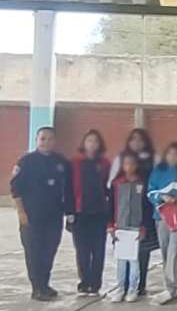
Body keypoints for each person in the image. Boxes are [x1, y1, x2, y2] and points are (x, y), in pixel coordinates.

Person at [11, 126, 70, 301]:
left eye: (50, 138)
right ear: (36, 140)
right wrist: (21, 212)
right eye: (42, 138)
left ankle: (44, 284)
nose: (46, 142)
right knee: (34, 252)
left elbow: (68, 187)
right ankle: (37, 288)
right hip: (32, 215)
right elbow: (15, 189)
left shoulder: (61, 162)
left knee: (49, 250)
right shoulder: (26, 162)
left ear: (55, 141)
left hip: (54, 215)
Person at [110, 128, 158, 295]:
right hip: (123, 216)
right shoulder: (120, 162)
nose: (136, 142)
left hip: (144, 212)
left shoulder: (153, 158)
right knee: (123, 254)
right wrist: (111, 223)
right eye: (133, 139)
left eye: (140, 139)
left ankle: (139, 285)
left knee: (142, 251)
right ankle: (122, 285)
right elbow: (111, 188)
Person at [68, 129, 110, 296]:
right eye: (89, 141)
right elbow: (68, 188)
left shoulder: (105, 164)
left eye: (96, 141)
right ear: (84, 143)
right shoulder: (74, 163)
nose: (92, 144)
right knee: (82, 250)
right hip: (80, 212)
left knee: (98, 250)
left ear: (100, 145)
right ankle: (84, 281)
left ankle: (96, 283)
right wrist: (69, 212)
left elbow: (109, 187)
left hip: (100, 213)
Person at [148, 143, 177, 305]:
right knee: (165, 250)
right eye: (170, 153)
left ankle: (171, 289)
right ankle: (169, 286)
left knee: (174, 251)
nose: (173, 157)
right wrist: (162, 197)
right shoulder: (158, 172)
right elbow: (150, 192)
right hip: (161, 216)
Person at [108, 151, 145, 303]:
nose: (129, 167)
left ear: (137, 165)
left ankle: (132, 290)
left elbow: (146, 207)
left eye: (132, 164)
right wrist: (110, 226)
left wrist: (143, 227)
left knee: (134, 261)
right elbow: (110, 205)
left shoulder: (142, 183)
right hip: (120, 228)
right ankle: (120, 289)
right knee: (121, 261)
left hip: (136, 228)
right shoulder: (116, 183)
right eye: (126, 164)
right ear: (122, 166)